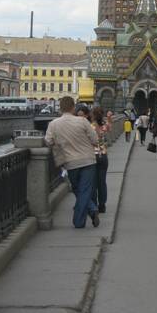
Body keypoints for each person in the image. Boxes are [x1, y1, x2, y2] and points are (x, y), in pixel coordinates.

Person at [45, 95, 100, 229]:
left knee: (77, 189)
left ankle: (86, 215)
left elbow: (48, 141)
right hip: (88, 160)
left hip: (70, 162)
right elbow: (95, 140)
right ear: (73, 107)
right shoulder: (82, 121)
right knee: (85, 190)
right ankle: (85, 215)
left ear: (60, 108)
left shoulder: (53, 124)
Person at [91, 105, 109, 213]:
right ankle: (102, 205)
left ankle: (94, 204)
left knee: (93, 181)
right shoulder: (104, 125)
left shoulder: (90, 126)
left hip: (93, 155)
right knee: (102, 182)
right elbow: (109, 128)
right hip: (103, 155)